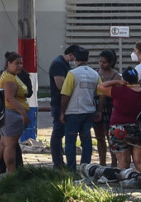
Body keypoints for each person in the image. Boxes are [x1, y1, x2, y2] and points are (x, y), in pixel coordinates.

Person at [0, 51, 30, 176]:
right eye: (17, 63)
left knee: (2, 144)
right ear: (8, 63)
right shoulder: (9, 78)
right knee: (10, 145)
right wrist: (23, 114)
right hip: (12, 114)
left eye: (21, 63)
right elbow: (10, 98)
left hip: (7, 113)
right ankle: (11, 172)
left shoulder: (9, 75)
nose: (20, 66)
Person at [98, 66, 141, 173]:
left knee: (123, 160)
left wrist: (117, 81)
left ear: (125, 79)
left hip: (119, 128)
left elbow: (100, 86)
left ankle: (124, 180)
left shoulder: (118, 90)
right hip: (139, 128)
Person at [61, 46, 100, 174]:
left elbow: (65, 94)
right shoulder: (95, 74)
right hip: (89, 111)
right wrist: (99, 110)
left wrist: (62, 112)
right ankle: (85, 168)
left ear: (75, 58)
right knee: (86, 141)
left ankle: (71, 169)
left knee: (70, 142)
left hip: (73, 112)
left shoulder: (72, 74)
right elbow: (101, 93)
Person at [48, 44, 81, 169]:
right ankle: (58, 163)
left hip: (64, 103)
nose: (75, 60)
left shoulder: (64, 64)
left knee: (61, 132)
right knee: (58, 133)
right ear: (71, 55)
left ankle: (60, 162)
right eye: (75, 57)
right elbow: (61, 86)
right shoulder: (58, 64)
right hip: (59, 103)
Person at [94, 50, 119, 167]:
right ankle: (102, 162)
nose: (101, 64)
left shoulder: (116, 76)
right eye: (100, 61)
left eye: (104, 62)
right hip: (97, 107)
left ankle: (114, 163)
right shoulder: (95, 73)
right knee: (99, 137)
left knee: (111, 138)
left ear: (111, 63)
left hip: (110, 108)